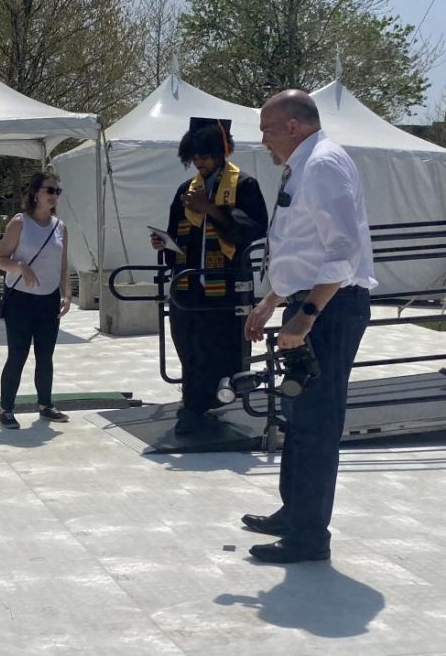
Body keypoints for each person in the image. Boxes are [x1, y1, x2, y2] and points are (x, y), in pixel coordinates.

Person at [242, 90, 375, 563]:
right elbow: (302, 249)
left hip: (333, 308)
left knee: (317, 422)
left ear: (294, 126)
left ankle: (309, 537)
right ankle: (294, 512)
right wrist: (272, 301)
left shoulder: (322, 165)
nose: (263, 139)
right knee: (299, 414)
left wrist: (307, 314)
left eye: (267, 129)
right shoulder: (303, 167)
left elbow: (343, 251)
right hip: (311, 300)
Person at [151, 117, 268, 435]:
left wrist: (211, 209)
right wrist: (165, 243)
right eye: (194, 157)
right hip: (188, 284)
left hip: (226, 286)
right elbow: (178, 234)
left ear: (222, 151)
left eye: (204, 155)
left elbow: (255, 229)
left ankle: (202, 403)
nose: (198, 162)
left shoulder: (243, 186)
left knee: (219, 346)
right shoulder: (185, 191)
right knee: (189, 344)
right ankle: (194, 402)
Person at [0, 171, 72, 429]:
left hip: (48, 299)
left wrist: (67, 292)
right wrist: (21, 267)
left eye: (57, 192)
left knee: (46, 355)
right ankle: (6, 408)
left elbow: (62, 265)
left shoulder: (60, 227)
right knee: (18, 355)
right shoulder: (20, 222)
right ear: (35, 193)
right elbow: (0, 260)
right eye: (50, 190)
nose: (54, 196)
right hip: (20, 300)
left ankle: (45, 405)